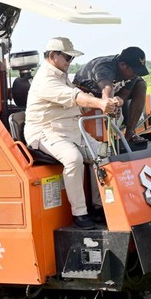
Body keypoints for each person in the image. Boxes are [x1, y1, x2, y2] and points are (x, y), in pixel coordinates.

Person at [24, 37, 121, 230]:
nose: (70, 62)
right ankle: (80, 213)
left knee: (103, 154)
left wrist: (109, 102)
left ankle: (98, 205)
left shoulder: (61, 75)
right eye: (68, 58)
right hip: (45, 132)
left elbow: (79, 98)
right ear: (53, 56)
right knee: (73, 159)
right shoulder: (45, 79)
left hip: (70, 130)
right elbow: (74, 97)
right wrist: (101, 103)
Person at [73, 46, 150, 143]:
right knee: (108, 106)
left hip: (111, 90)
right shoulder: (104, 67)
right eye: (134, 71)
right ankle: (109, 140)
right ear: (122, 65)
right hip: (88, 92)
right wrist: (111, 105)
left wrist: (120, 101)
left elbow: (125, 93)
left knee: (141, 85)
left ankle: (130, 135)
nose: (136, 74)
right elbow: (107, 89)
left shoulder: (132, 73)